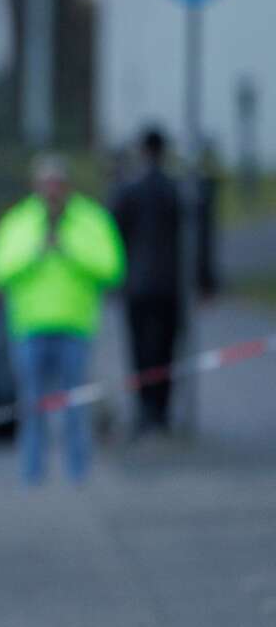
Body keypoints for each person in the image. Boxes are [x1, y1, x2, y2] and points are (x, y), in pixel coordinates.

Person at [0, 155, 125, 484]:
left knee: (75, 405)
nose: (51, 191)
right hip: (29, 327)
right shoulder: (19, 221)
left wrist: (69, 249)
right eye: (45, 184)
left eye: (57, 184)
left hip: (75, 325)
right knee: (32, 405)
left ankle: (78, 472)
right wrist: (36, 252)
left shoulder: (90, 220)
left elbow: (112, 268)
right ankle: (32, 473)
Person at [110, 128, 182, 435]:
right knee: (165, 349)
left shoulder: (128, 190)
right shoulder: (175, 189)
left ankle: (144, 409)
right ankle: (160, 412)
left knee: (140, 349)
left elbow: (114, 235)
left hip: (137, 284)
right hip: (169, 283)